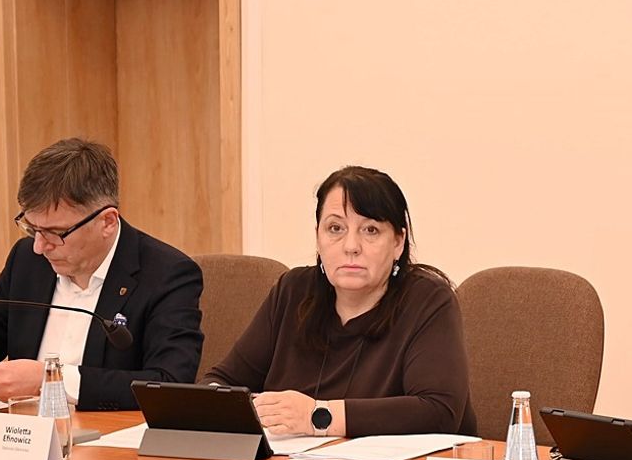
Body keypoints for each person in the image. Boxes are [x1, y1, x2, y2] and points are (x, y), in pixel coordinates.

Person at [203, 165, 476, 437]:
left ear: (398, 242)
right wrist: (239, 409)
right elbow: (222, 383)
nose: (351, 246)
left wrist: (316, 416)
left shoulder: (428, 300)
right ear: (318, 237)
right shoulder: (294, 291)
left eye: (370, 230)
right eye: (335, 228)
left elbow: (438, 412)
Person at [0, 138, 204, 411]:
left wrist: (50, 379)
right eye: (32, 229)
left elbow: (169, 383)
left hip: (107, 433)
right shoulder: (27, 260)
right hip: (22, 430)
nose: (40, 246)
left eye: (55, 233)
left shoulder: (167, 274)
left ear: (107, 222)